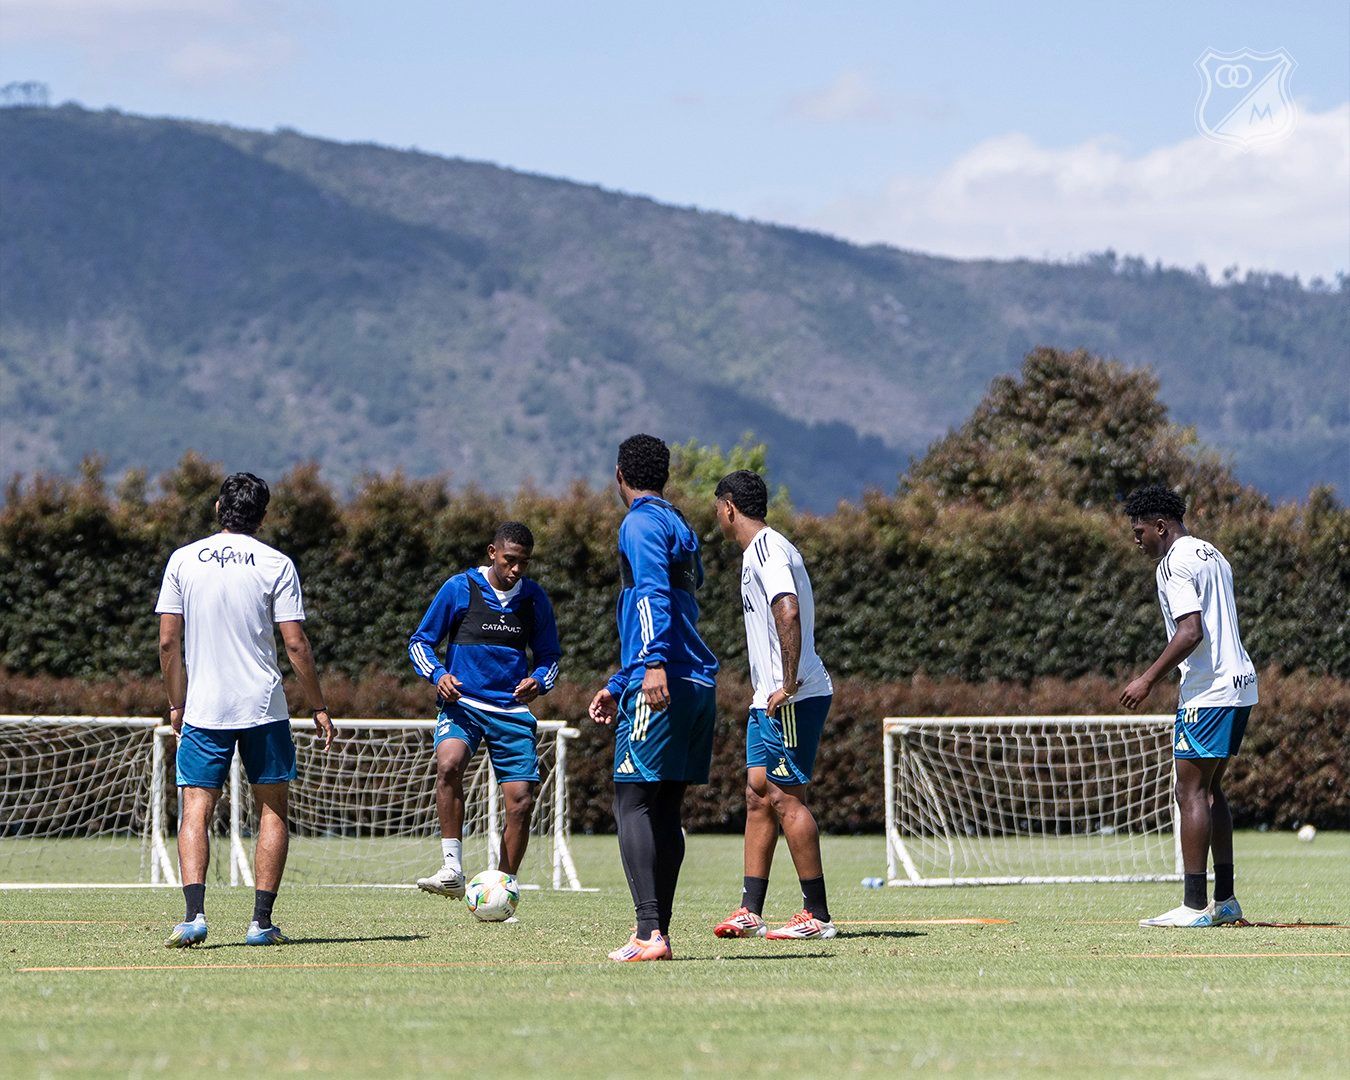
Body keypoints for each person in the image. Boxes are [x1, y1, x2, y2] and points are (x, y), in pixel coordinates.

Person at [156, 472, 334, 948]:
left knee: (195, 808)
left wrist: (177, 702)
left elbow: (169, 642)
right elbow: (295, 644)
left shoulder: (183, 560)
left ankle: (194, 916)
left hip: (204, 709)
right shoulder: (277, 563)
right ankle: (261, 922)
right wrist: (318, 705)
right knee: (272, 809)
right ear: (263, 515)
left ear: (218, 508)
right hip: (263, 705)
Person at [588, 434, 719, 962]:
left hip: (663, 678)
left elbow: (651, 596)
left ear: (620, 473)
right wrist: (621, 681)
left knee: (632, 800)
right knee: (665, 806)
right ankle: (657, 931)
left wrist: (654, 664)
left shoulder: (639, 522)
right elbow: (686, 603)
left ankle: (649, 933)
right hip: (696, 683)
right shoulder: (681, 525)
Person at [1120, 483, 1258, 928]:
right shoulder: (1212, 553)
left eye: (1140, 531)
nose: (1137, 539)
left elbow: (1190, 631)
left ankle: (1195, 906)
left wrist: (1146, 679)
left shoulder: (1172, 563)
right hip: (1240, 685)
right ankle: (1226, 900)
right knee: (1211, 790)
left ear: (1161, 526)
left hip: (1209, 691)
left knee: (1189, 792)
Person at [710, 470, 837, 941]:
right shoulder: (755, 554)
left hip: (793, 696)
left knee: (786, 797)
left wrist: (787, 682)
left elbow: (787, 606)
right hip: (769, 698)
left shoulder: (767, 550)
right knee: (757, 793)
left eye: (716, 508)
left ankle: (817, 916)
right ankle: (750, 909)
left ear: (728, 507)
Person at [408, 522, 561, 900]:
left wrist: (538, 681)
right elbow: (420, 642)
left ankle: (502, 889)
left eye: (523, 563)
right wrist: (437, 674)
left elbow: (550, 658)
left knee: (522, 801)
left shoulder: (534, 599)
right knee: (448, 763)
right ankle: (452, 868)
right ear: (492, 552)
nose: (516, 570)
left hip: (511, 711)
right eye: (510, 560)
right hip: (465, 705)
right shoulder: (459, 588)